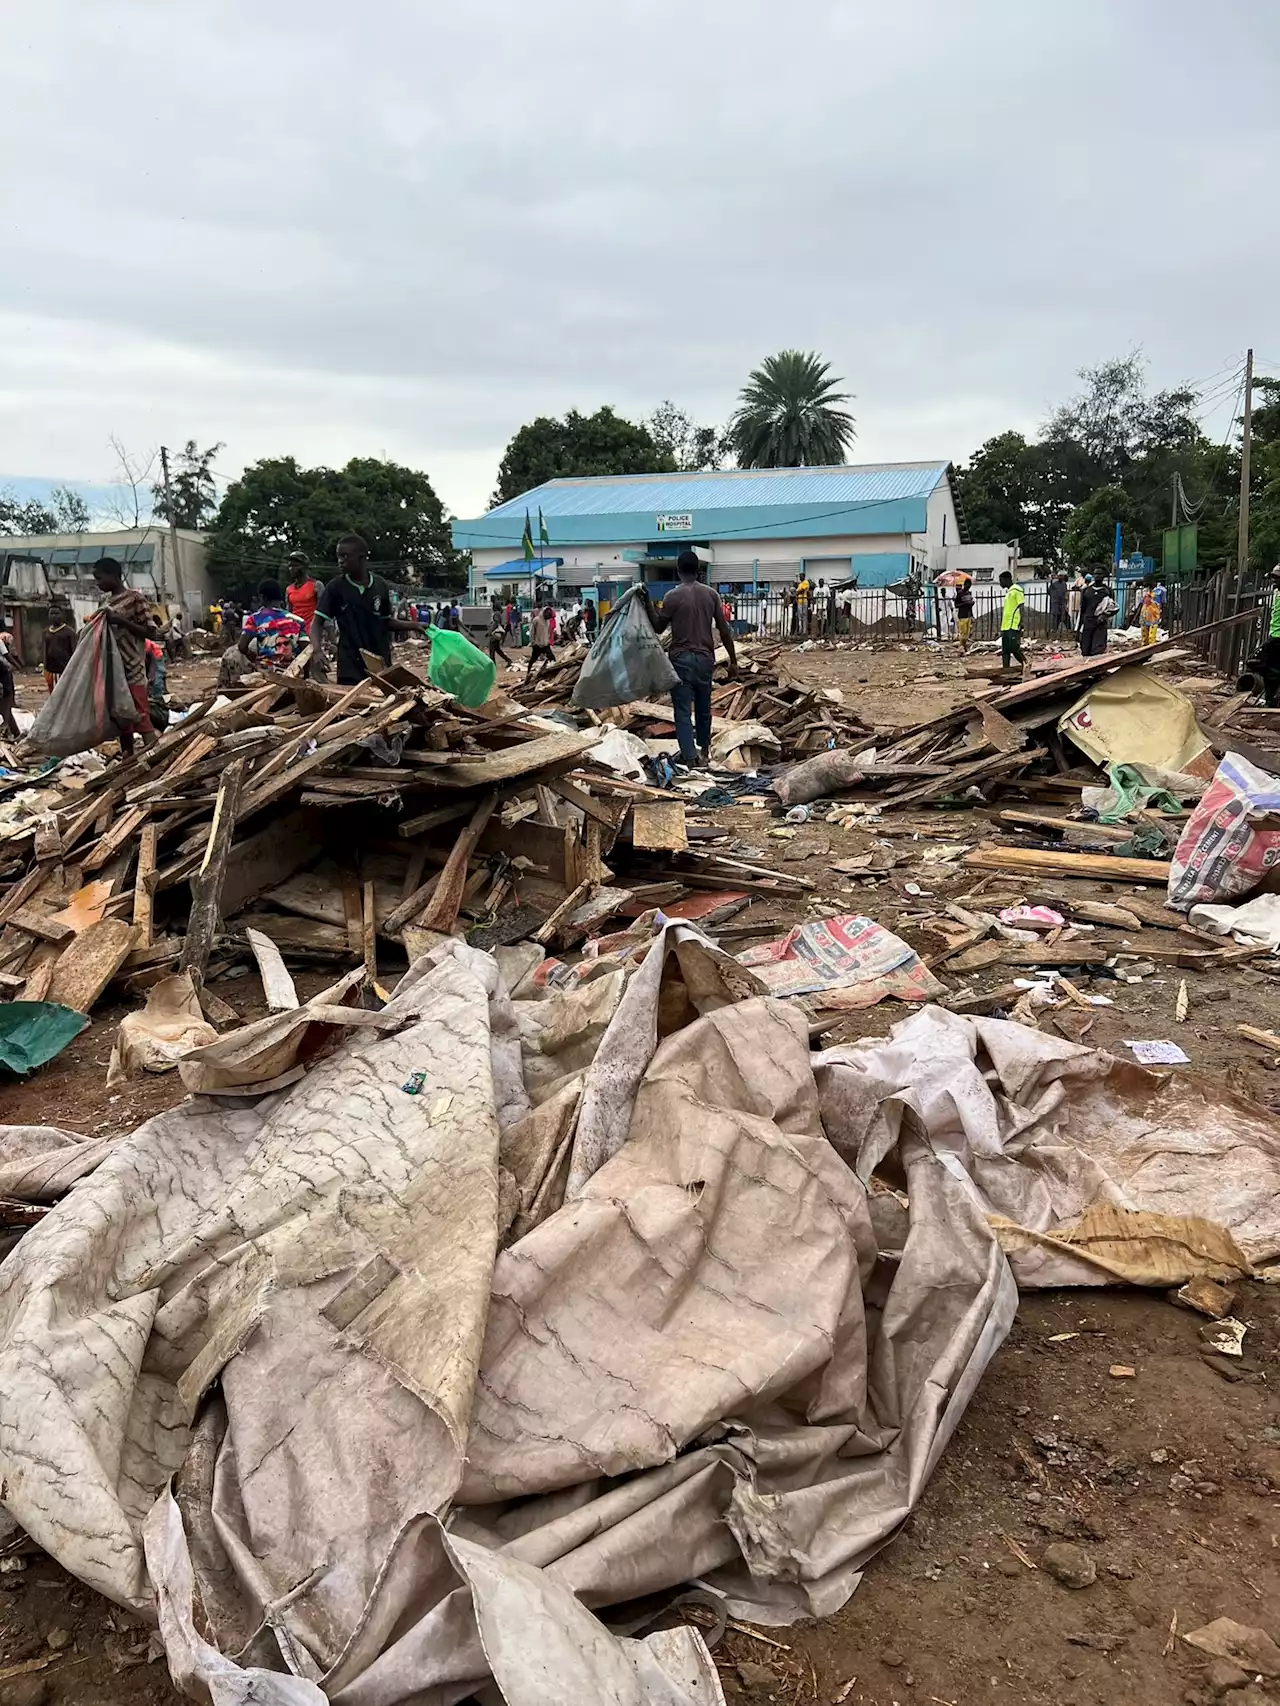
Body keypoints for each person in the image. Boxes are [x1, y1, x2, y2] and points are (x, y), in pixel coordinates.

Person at [648, 549, 738, 768]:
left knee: (682, 710)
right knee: (704, 707)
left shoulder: (672, 596)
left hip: (680, 660)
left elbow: (659, 627)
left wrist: (648, 605)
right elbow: (724, 630)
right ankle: (705, 752)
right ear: (699, 571)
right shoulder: (711, 595)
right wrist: (733, 660)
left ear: (678, 571)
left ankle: (690, 757)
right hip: (706, 658)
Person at [309, 535, 425, 684]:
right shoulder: (336, 587)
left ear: (361, 558)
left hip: (379, 662)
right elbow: (317, 622)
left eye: (345, 556)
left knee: (384, 703)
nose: (340, 561)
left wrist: (415, 625)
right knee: (353, 705)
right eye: (338, 556)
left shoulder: (380, 585)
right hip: (350, 665)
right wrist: (317, 651)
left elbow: (385, 621)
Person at [93, 556, 160, 753]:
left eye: (100, 578)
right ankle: (127, 761)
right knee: (122, 719)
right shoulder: (104, 601)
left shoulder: (135, 598)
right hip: (113, 669)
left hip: (132, 667)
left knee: (140, 715)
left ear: (114, 575)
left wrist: (121, 621)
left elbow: (151, 632)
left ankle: (157, 759)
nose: (98, 584)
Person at [239, 578, 307, 669]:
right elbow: (306, 651)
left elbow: (242, 646)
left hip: (265, 671)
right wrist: (306, 676)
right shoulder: (298, 621)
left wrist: (254, 659)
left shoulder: (255, 619)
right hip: (292, 672)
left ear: (262, 597)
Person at [43, 602, 76, 693]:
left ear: (62, 615)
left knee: (64, 693)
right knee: (53, 693)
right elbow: (45, 650)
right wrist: (45, 668)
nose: (54, 616)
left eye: (56, 613)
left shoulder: (69, 632)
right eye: (51, 614)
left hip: (64, 669)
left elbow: (74, 651)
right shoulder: (46, 632)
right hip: (50, 670)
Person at [1078, 576, 1113, 657]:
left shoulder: (1107, 591)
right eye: (1096, 574)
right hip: (1088, 621)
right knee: (1086, 648)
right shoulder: (1087, 590)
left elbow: (1113, 607)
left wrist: (1104, 616)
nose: (1098, 576)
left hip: (1100, 623)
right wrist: (1079, 627)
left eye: (1100, 574)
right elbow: (1083, 609)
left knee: (1098, 649)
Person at [998, 570, 1026, 672]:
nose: (1000, 583)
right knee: (1005, 651)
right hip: (1006, 625)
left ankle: (1026, 664)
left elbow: (1021, 605)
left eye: (1001, 580)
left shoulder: (1017, 590)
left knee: (1014, 648)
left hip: (1013, 625)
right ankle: (1006, 671)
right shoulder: (1009, 592)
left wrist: (1021, 622)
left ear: (1007, 580)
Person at [285, 553, 320, 630]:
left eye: (295, 566)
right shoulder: (289, 589)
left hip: (312, 633)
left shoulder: (316, 585)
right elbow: (288, 613)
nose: (291, 569)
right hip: (295, 634)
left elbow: (323, 611)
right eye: (290, 566)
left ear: (304, 567)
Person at [527, 604, 556, 678]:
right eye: (548, 615)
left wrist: (549, 640)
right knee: (533, 659)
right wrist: (533, 642)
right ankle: (528, 672)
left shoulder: (548, 621)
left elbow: (548, 631)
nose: (549, 617)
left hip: (545, 644)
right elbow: (532, 631)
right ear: (544, 613)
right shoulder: (536, 620)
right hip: (537, 644)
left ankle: (552, 673)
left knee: (552, 658)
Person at [954, 577, 975, 650]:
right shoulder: (960, 593)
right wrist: (965, 603)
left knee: (967, 633)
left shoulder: (969, 593)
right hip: (962, 615)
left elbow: (970, 606)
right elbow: (956, 605)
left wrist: (972, 615)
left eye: (970, 586)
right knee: (963, 633)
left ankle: (963, 646)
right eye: (967, 585)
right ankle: (961, 647)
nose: (968, 587)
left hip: (968, 615)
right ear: (964, 585)